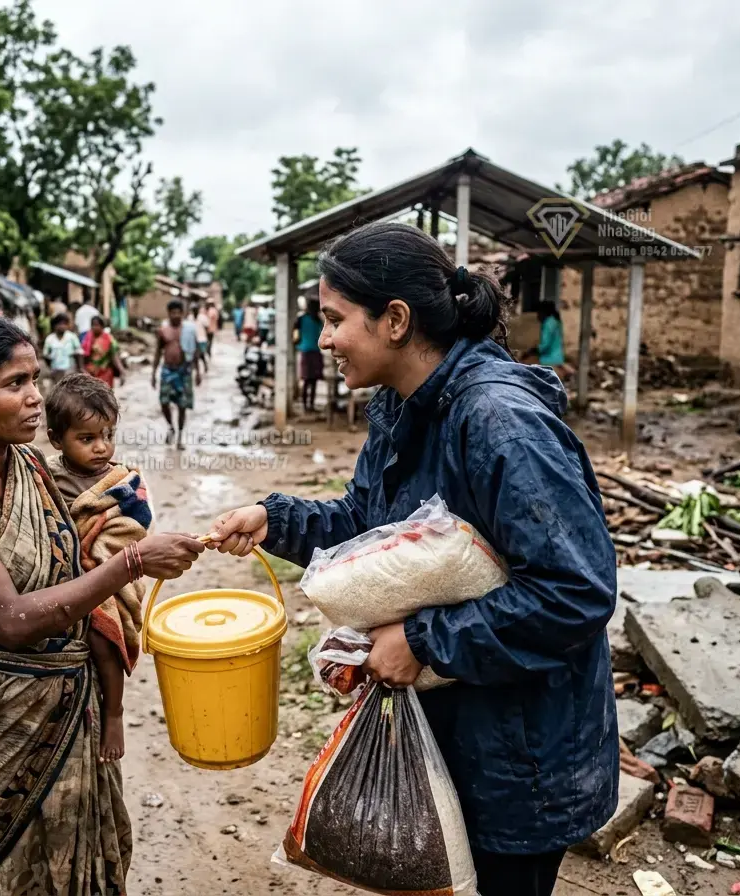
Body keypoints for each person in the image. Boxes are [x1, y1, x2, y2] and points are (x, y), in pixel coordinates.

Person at [207, 221, 617, 896]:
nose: (326, 339)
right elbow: (368, 525)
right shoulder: (399, 409)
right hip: (456, 735)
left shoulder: (498, 421)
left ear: (394, 319)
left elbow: (574, 591)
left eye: (334, 320)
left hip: (523, 754)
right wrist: (273, 518)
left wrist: (424, 642)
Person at [0, 315, 204, 894]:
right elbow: (10, 620)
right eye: (14, 383)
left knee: (88, 858)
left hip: (74, 704)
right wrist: (131, 565)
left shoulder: (33, 467)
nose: (37, 397)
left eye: (35, 378)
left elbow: (90, 540)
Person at [45, 374, 151, 763]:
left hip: (107, 576)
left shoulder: (121, 480)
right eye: (86, 439)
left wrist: (95, 555)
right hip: (68, 577)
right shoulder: (47, 478)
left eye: (107, 435)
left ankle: (114, 712)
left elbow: (135, 523)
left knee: (103, 639)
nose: (101, 447)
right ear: (57, 439)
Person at [151, 299, 203, 448]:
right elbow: (157, 352)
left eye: (178, 312)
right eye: (172, 312)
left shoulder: (189, 330)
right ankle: (170, 426)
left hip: (184, 370)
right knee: (164, 402)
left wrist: (198, 371)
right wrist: (153, 373)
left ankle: (180, 436)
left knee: (182, 405)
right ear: (168, 314)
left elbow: (195, 351)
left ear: (182, 313)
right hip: (167, 370)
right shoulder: (163, 330)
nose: (175, 315)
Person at [293, 298, 325, 413]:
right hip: (313, 352)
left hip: (307, 352)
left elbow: (295, 335)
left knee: (308, 380)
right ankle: (309, 405)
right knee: (312, 381)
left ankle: (307, 406)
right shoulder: (316, 320)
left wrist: (297, 344)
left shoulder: (302, 319)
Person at [82, 315, 125, 389]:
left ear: (102, 326)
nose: (94, 327)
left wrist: (122, 371)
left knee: (105, 396)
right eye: (92, 325)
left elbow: (114, 357)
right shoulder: (87, 338)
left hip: (105, 373)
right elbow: (83, 356)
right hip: (90, 374)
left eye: (96, 325)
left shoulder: (109, 339)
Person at [42, 312, 83, 383]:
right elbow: (45, 355)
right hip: (56, 370)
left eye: (64, 324)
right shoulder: (50, 339)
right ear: (54, 325)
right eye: (59, 324)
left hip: (70, 370)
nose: (62, 326)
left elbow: (79, 352)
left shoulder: (72, 337)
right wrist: (51, 368)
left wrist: (80, 368)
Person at [537, 301, 567, 375]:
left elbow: (545, 344)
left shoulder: (548, 323)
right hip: (558, 357)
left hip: (548, 359)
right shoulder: (556, 321)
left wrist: (536, 349)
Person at [193, 302, 211, 370]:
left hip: (202, 339)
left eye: (196, 309)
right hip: (194, 339)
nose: (195, 311)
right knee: (195, 355)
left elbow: (207, 328)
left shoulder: (203, 317)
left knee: (201, 353)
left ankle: (204, 365)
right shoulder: (190, 317)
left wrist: (207, 338)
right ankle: (197, 367)